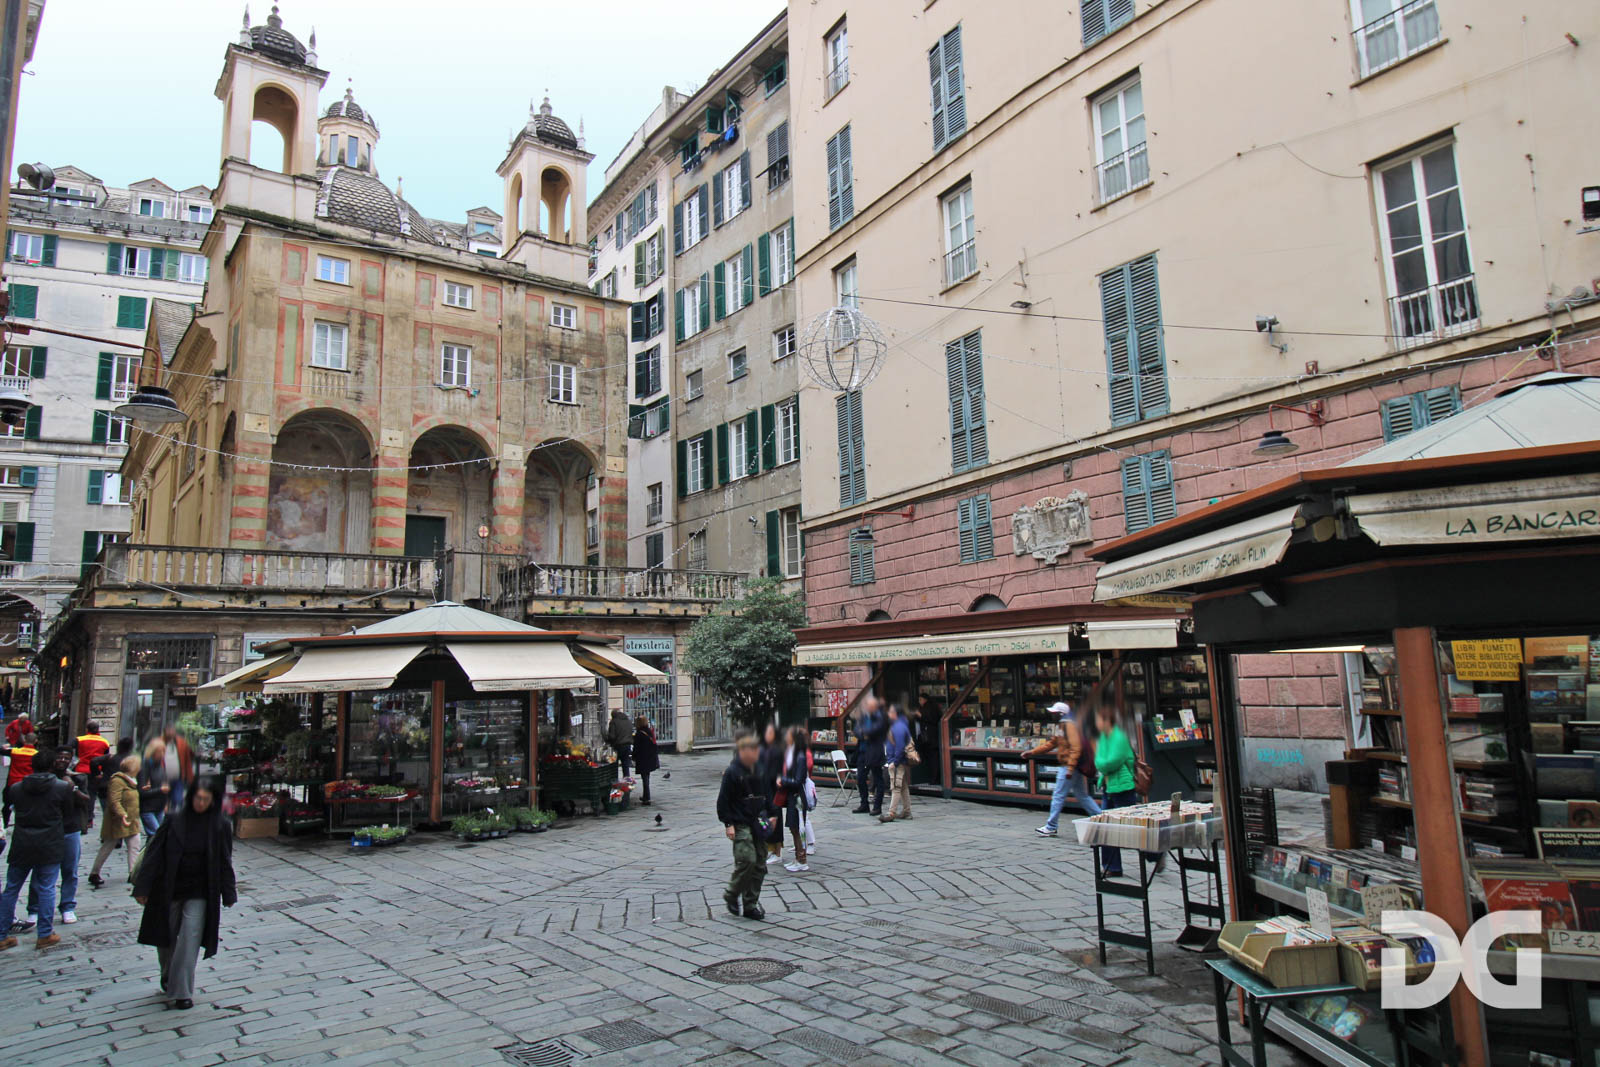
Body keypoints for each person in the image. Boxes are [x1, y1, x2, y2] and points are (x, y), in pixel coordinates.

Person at [133, 776, 238, 1010]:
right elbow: (154, 854)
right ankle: (169, 974)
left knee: (189, 938)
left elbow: (224, 859)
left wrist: (228, 892)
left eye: (206, 800)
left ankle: (182, 992)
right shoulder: (173, 820)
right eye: (198, 798)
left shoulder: (220, 825)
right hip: (169, 887)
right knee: (166, 937)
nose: (201, 803)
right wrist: (143, 887)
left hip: (200, 889)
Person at [0, 744, 73, 950]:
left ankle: (1, 934)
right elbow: (67, 815)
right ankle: (44, 933)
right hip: (50, 843)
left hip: (22, 843)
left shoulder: (15, 789)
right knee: (47, 887)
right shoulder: (62, 787)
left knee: (11, 888)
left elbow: (10, 808)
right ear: (52, 765)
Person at [1094, 701, 1158, 878]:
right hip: (1108, 787)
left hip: (1123, 788)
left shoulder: (1119, 737)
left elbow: (1109, 762)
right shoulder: (1103, 738)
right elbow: (1100, 760)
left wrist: (1102, 764)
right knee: (1107, 828)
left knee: (1131, 828)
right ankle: (1111, 866)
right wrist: (1102, 763)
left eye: (1098, 719)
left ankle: (1156, 853)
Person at [715, 731, 769, 921]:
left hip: (757, 820)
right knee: (747, 859)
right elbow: (723, 801)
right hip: (740, 822)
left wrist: (772, 814)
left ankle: (750, 904)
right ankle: (731, 893)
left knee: (760, 863)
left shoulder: (760, 769)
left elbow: (768, 793)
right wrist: (728, 824)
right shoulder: (732, 772)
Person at [38, 748, 92, 926]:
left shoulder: (78, 778)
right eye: (59, 757)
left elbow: (85, 800)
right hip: (48, 829)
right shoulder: (45, 778)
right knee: (43, 872)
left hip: (70, 829)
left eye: (66, 758)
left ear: (71, 761)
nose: (62, 760)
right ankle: (34, 909)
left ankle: (67, 907)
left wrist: (72, 787)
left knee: (70, 871)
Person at [1031, 702, 1101, 837]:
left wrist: (1070, 768)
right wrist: (1033, 752)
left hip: (1068, 766)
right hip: (1071, 766)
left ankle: (1051, 826)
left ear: (1061, 714)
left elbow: (1076, 747)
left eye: (1054, 713)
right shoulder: (1062, 726)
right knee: (1082, 795)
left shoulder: (1069, 726)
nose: (1052, 716)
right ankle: (1100, 817)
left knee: (1058, 795)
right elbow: (1052, 743)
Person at [89, 755, 142, 887]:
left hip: (132, 820)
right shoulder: (117, 781)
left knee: (134, 846)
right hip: (118, 821)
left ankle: (133, 874)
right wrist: (122, 814)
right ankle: (94, 873)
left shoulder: (133, 780)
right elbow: (114, 801)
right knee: (108, 846)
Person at [777, 726, 814, 872]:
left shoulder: (800, 756)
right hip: (793, 796)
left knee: (798, 827)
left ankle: (802, 859)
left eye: (788, 735)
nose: (786, 737)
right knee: (793, 827)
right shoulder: (793, 754)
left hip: (798, 797)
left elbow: (798, 780)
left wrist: (783, 781)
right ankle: (798, 858)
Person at [852, 695, 888, 816]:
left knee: (878, 779)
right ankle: (864, 804)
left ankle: (877, 806)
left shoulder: (880, 716)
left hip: (874, 752)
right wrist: (863, 734)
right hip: (862, 751)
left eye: (870, 705)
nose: (867, 707)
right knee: (860, 778)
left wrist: (865, 732)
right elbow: (856, 730)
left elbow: (874, 730)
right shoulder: (863, 717)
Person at [757, 723, 785, 863]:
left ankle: (777, 851)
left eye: (770, 732)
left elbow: (781, 769)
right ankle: (770, 849)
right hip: (765, 789)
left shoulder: (778, 750)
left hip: (774, 789)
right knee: (766, 818)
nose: (768, 735)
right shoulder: (763, 749)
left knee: (776, 819)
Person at [881, 705, 914, 823]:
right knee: (903, 787)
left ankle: (891, 812)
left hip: (897, 763)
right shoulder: (900, 725)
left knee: (895, 786)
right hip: (899, 761)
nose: (888, 713)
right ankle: (907, 811)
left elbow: (900, 746)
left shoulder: (898, 727)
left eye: (890, 711)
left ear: (895, 714)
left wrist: (894, 762)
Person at [89, 737, 134, 820]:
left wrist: (96, 774)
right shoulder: (132, 760)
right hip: (123, 790)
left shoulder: (110, 757)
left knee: (108, 815)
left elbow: (94, 761)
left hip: (106, 789)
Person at [3, 730, 36, 828]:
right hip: (28, 784)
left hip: (12, 782)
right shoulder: (36, 754)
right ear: (36, 741)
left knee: (7, 805)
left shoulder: (14, 751)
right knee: (27, 805)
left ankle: (5, 823)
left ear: (24, 740)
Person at [138, 738, 170, 837]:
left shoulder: (159, 766)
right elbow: (142, 792)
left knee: (160, 837)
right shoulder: (145, 767)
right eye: (161, 751)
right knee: (157, 836)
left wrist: (165, 803)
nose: (163, 754)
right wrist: (160, 790)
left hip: (159, 807)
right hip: (148, 809)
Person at [160, 727, 194, 815]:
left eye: (172, 731)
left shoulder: (181, 743)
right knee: (164, 802)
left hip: (178, 778)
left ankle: (175, 819)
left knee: (177, 800)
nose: (170, 733)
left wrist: (189, 776)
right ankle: (166, 819)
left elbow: (188, 757)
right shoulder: (159, 743)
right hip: (163, 779)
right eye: (168, 731)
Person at [632, 716, 659, 806]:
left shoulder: (639, 734)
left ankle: (647, 797)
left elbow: (636, 747)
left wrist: (633, 757)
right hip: (650, 757)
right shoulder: (649, 732)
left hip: (643, 758)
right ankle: (645, 796)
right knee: (647, 777)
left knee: (645, 779)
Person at [606, 710, 633, 779]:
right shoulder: (628, 721)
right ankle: (627, 781)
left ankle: (615, 781)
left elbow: (612, 736)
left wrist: (607, 739)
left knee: (614, 765)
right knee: (625, 765)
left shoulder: (613, 722)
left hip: (617, 746)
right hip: (627, 745)